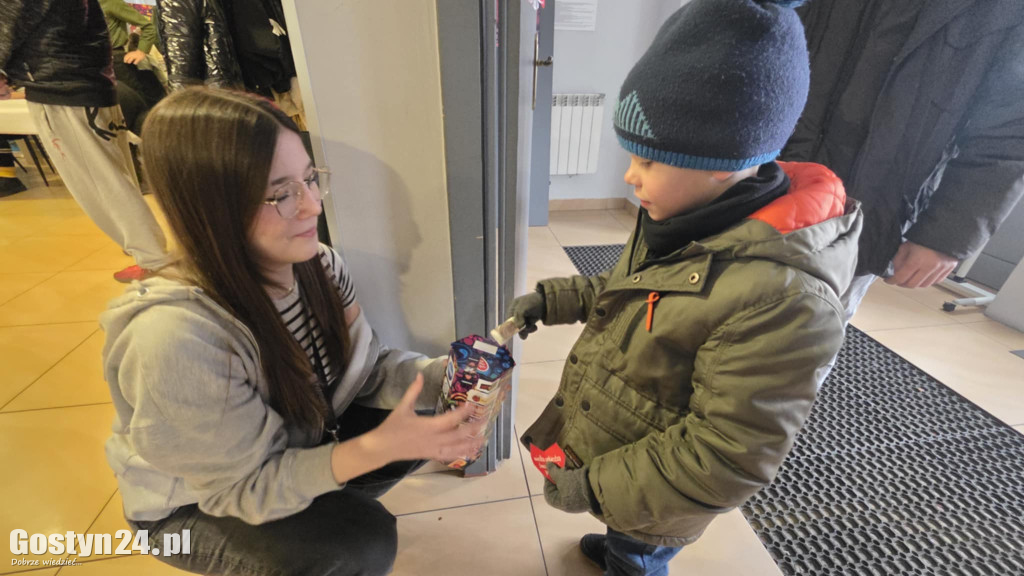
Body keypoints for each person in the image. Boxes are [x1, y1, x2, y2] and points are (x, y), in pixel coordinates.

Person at [509, 1, 862, 574]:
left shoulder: (785, 298)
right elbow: (628, 286)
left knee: (641, 550)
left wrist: (595, 488)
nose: (629, 176)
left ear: (720, 161)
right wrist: (555, 300)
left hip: (663, 488)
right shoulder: (682, 219)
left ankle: (633, 556)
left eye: (648, 160)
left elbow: (725, 456)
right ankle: (623, 538)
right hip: (629, 450)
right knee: (627, 530)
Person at [101, 88, 485, 576]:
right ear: (211, 207)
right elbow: (238, 488)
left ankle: (323, 504)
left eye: (309, 179)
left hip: (292, 443)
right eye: (281, 194)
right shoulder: (178, 338)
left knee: (431, 399)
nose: (311, 207)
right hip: (194, 506)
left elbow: (365, 371)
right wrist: (378, 447)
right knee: (356, 543)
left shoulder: (317, 265)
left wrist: (447, 376)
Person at [782, 1, 1024, 318]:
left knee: (794, 348)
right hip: (742, 177)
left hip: (863, 213)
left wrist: (944, 236)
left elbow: (1007, 130)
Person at [0, 0, 172, 282]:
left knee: (102, 181)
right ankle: (150, 255)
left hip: (60, 87)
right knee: (114, 176)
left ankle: (154, 260)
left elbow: (8, 20)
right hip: (89, 82)